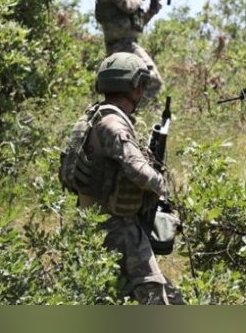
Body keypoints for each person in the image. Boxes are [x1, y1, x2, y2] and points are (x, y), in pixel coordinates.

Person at [69, 52, 183, 304]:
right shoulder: (113, 125)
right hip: (119, 230)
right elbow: (137, 169)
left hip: (97, 224)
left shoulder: (96, 116)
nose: (142, 92)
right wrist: (165, 189)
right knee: (156, 299)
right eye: (141, 85)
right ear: (133, 85)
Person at [94, 0, 171, 101]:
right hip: (121, 44)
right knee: (152, 79)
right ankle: (133, 111)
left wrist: (157, 0)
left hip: (127, 43)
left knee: (129, 85)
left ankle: (128, 113)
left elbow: (139, 23)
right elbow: (129, 6)